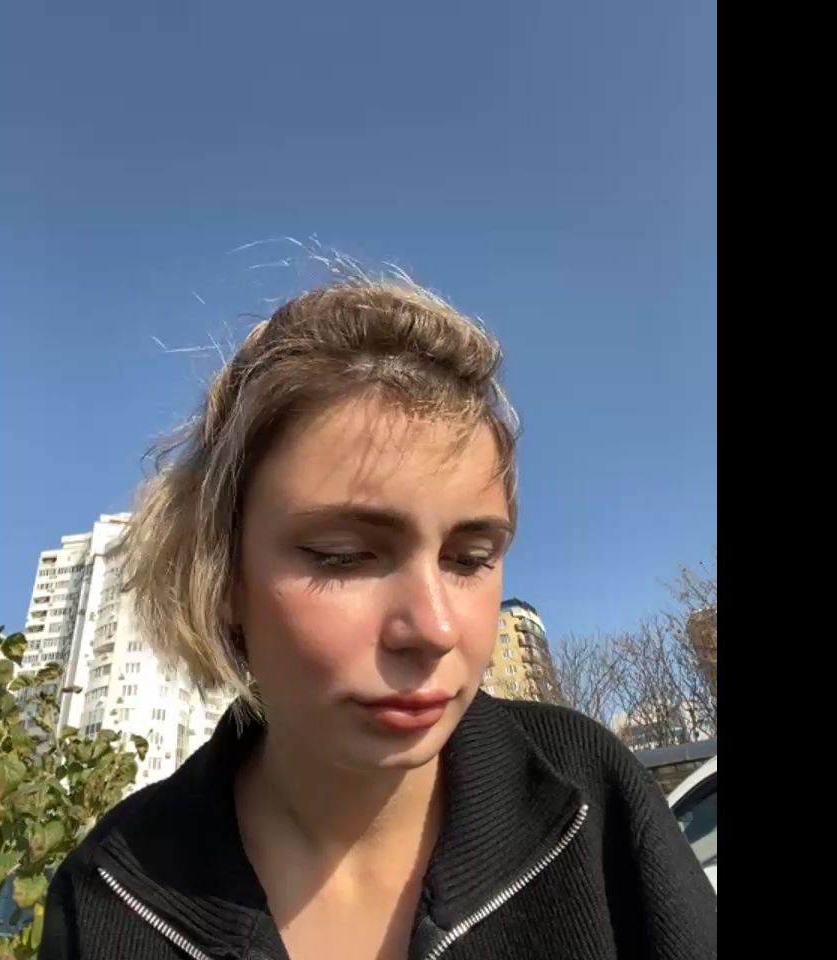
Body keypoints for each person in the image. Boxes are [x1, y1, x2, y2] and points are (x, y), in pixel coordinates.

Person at [41, 279, 717, 960]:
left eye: (470, 558)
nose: (434, 629)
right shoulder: (108, 896)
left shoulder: (592, 796)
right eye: (343, 556)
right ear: (222, 576)